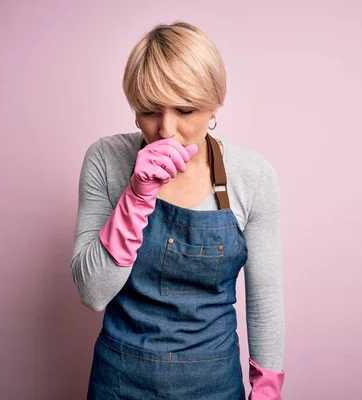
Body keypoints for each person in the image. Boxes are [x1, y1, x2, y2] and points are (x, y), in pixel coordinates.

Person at [70, 21, 285, 399]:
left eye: (185, 110)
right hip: (120, 379)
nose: (166, 130)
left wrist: (267, 390)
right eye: (151, 110)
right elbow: (92, 293)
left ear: (214, 105)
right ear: (135, 110)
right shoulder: (105, 159)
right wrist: (137, 197)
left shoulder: (252, 176)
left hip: (213, 382)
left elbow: (264, 299)